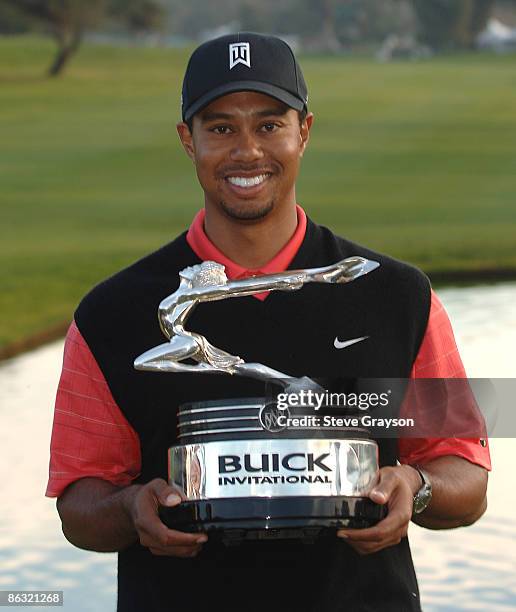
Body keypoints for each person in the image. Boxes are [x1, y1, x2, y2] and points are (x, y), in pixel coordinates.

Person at [47, 33, 490, 611]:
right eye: (221, 127)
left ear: (304, 131)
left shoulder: (397, 295)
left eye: (269, 125)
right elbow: (78, 504)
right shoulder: (112, 312)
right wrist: (129, 510)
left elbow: (468, 477)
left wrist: (418, 486)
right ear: (189, 140)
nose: (247, 151)